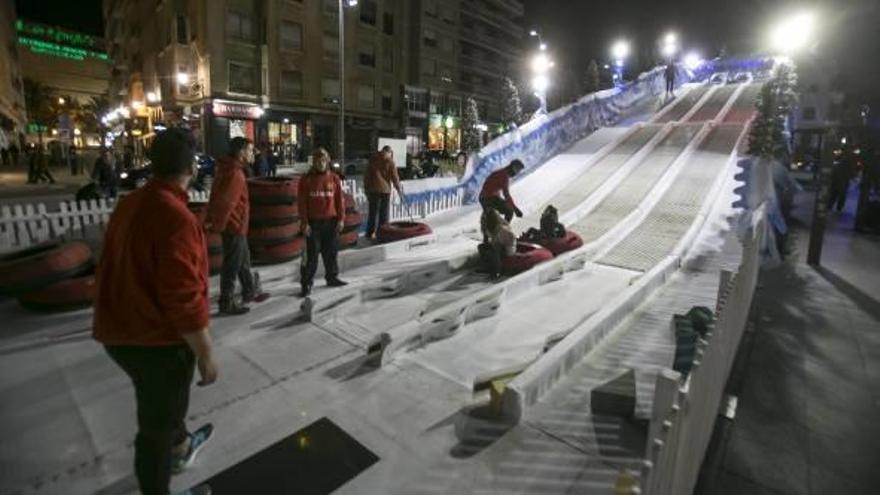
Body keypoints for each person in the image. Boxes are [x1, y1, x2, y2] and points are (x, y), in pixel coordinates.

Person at [93, 128, 214, 495]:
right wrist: (206, 354)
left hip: (119, 333)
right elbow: (183, 296)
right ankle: (164, 469)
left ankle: (180, 444)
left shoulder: (131, 203)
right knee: (155, 429)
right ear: (191, 167)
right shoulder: (176, 217)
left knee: (163, 404)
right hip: (156, 342)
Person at [206, 137, 261, 315]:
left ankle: (249, 291)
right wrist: (219, 225)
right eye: (251, 150)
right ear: (241, 152)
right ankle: (226, 301)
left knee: (244, 261)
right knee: (232, 265)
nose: (253, 153)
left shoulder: (228, 169)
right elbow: (226, 202)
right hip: (234, 227)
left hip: (238, 227)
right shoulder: (235, 174)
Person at [298, 147, 348, 297]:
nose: (321, 163)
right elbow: (302, 203)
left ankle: (332, 277)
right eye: (318, 160)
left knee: (331, 253)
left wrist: (341, 219)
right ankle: (306, 284)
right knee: (311, 257)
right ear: (314, 162)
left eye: (324, 160)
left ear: (328, 161)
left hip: (331, 222)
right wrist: (304, 223)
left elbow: (340, 201)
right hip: (313, 224)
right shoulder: (306, 180)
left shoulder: (334, 178)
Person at [364, 145, 404, 240]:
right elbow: (395, 177)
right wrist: (399, 189)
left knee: (372, 212)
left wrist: (366, 188)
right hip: (385, 191)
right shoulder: (390, 162)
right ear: (389, 152)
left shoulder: (373, 159)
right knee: (383, 213)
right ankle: (382, 232)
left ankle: (369, 233)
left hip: (373, 189)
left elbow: (367, 175)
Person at [479, 208, 516, 279]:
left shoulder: (502, 229)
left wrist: (502, 248)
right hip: (498, 245)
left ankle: (497, 271)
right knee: (482, 247)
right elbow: (487, 239)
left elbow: (511, 241)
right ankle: (486, 266)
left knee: (494, 251)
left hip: (507, 249)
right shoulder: (489, 228)